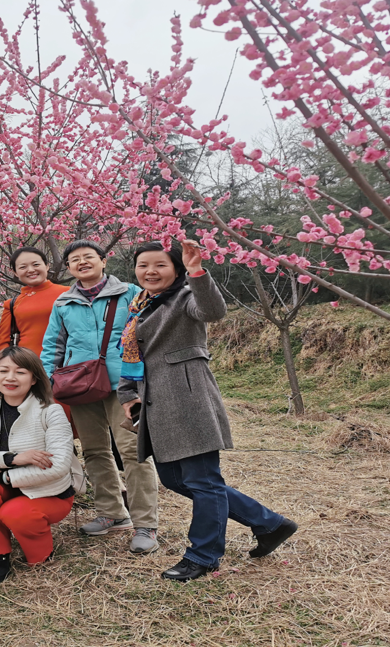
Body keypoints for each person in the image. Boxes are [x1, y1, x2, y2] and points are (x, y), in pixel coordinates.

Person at [118, 240, 298, 581]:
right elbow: (132, 356)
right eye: (143, 265)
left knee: (203, 481)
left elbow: (213, 311)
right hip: (155, 404)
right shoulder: (140, 305)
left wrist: (197, 272)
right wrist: (127, 394)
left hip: (188, 401)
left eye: (160, 265)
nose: (150, 271)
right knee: (175, 479)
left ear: (176, 269)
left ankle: (203, 556)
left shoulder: (185, 297)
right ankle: (269, 523)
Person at [40, 239, 159, 553]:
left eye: (88, 257)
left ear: (103, 261)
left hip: (126, 385)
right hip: (81, 385)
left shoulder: (130, 293)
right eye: (75, 259)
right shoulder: (64, 303)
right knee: (94, 450)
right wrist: (47, 380)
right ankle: (111, 513)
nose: (82, 262)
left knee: (133, 451)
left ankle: (145, 524)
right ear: (68, 267)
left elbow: (150, 331)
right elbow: (53, 345)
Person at [0, 347, 80, 581]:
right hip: (4, 489)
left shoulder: (51, 411)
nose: (10, 378)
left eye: (20, 372)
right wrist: (12, 458)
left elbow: (58, 466)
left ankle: (41, 554)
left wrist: (4, 476)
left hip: (48, 493)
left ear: (34, 378)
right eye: (3, 371)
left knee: (15, 513)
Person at [0, 247, 69, 355]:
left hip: (65, 362)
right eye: (23, 267)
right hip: (26, 362)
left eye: (36, 264)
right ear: (15, 272)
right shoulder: (12, 304)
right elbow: (1, 344)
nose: (30, 270)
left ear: (47, 266)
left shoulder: (68, 294)